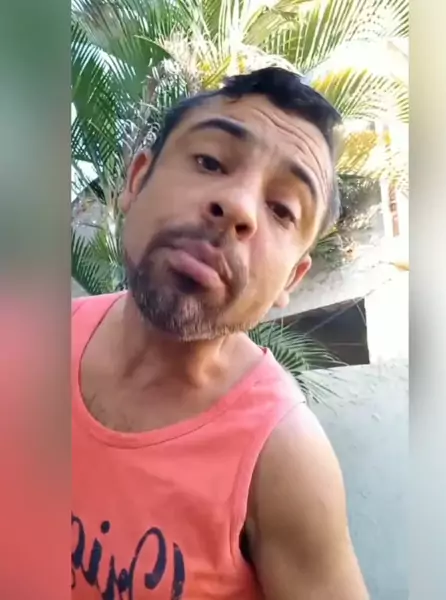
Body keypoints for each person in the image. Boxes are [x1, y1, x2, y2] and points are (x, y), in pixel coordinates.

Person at [72, 67, 369, 600]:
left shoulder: (282, 459)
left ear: (291, 280)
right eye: (210, 161)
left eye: (282, 209)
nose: (237, 207)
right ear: (136, 181)